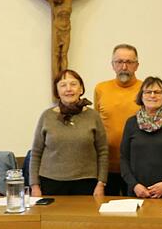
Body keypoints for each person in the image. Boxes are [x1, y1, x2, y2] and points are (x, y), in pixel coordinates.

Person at [29, 69, 107, 197]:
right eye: (63, 85)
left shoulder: (93, 116)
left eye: (73, 84)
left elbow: (103, 152)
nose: (68, 89)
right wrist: (34, 186)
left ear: (81, 89)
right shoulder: (46, 116)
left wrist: (101, 183)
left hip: (86, 183)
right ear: (57, 92)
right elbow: (36, 152)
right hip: (50, 183)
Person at [18, 0, 104, 79]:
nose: (57, 1)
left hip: (66, 29)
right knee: (56, 55)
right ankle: (57, 81)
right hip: (57, 30)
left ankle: (64, 78)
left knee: (64, 54)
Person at [120, 76, 162, 198]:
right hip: (137, 193)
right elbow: (124, 158)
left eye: (157, 92)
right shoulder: (131, 123)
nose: (152, 95)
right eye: (147, 92)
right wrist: (134, 185)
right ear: (141, 95)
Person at [94, 43, 142, 196]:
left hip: (137, 167)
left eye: (129, 62)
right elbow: (95, 125)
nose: (124, 66)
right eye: (119, 62)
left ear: (137, 65)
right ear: (112, 65)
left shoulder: (146, 90)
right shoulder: (101, 89)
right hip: (106, 167)